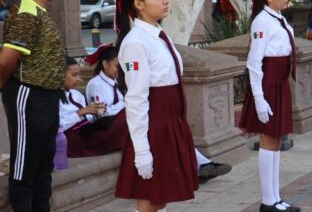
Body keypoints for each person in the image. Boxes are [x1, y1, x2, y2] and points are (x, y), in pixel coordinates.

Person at [115, 0, 199, 212]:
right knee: (149, 198)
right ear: (138, 4)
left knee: (161, 198)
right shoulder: (136, 41)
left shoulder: (158, 35)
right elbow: (136, 98)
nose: (165, 0)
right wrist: (142, 150)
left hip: (169, 123)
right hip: (154, 126)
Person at [0, 0, 77, 212]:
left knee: (44, 159)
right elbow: (7, 59)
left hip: (46, 94)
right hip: (27, 94)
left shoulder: (36, 10)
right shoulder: (25, 13)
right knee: (25, 161)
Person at [82, 43, 231, 179]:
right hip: (110, 129)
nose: (120, 70)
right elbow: (101, 114)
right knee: (157, 128)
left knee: (167, 127)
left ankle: (198, 164)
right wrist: (127, 103)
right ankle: (195, 166)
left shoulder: (116, 81)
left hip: (125, 121)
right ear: (105, 64)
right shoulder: (96, 85)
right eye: (116, 66)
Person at [238, 0, 300, 212]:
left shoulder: (278, 18)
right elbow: (254, 62)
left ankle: (275, 197)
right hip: (268, 84)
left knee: (276, 141)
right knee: (268, 140)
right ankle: (267, 200)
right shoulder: (262, 22)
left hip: (280, 83)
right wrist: (259, 98)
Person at [61, 58, 127, 158]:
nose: (79, 79)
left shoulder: (77, 95)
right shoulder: (53, 99)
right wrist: (80, 112)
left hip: (89, 131)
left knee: (127, 118)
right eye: (74, 75)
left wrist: (96, 113)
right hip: (75, 139)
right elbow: (56, 126)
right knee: (124, 122)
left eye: (78, 75)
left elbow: (91, 118)